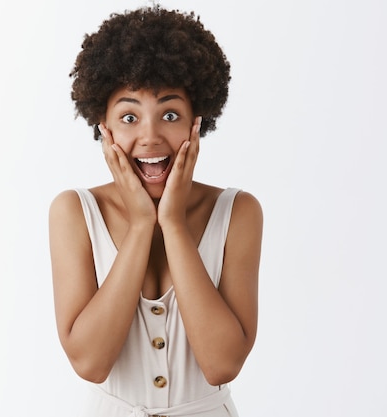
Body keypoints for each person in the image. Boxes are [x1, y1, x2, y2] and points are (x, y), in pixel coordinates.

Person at [49, 5, 263, 416]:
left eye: (169, 114)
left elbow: (222, 364)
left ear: (196, 122)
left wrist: (173, 224)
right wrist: (142, 225)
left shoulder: (238, 211)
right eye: (129, 116)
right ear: (104, 127)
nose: (149, 137)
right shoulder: (74, 212)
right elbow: (90, 363)